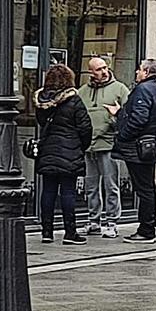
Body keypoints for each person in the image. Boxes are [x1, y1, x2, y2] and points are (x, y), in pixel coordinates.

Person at [108, 59, 156, 244]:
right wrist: (119, 113)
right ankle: (148, 226)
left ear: (147, 72)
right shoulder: (154, 88)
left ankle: (146, 229)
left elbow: (139, 118)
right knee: (147, 187)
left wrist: (123, 135)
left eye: (140, 69)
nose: (136, 72)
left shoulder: (143, 89)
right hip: (148, 143)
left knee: (144, 188)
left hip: (139, 146)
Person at [34, 65, 93, 245]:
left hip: (48, 150)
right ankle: (70, 232)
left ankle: (47, 232)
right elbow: (85, 127)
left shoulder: (41, 100)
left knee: (48, 191)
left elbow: (41, 122)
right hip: (70, 151)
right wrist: (80, 147)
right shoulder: (74, 100)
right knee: (68, 192)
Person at [78, 57, 130, 239]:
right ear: (91, 72)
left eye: (105, 67)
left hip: (108, 145)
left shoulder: (120, 89)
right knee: (90, 186)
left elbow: (129, 116)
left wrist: (115, 119)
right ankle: (94, 221)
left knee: (111, 185)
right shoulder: (82, 92)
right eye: (99, 69)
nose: (104, 71)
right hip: (88, 146)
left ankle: (112, 222)